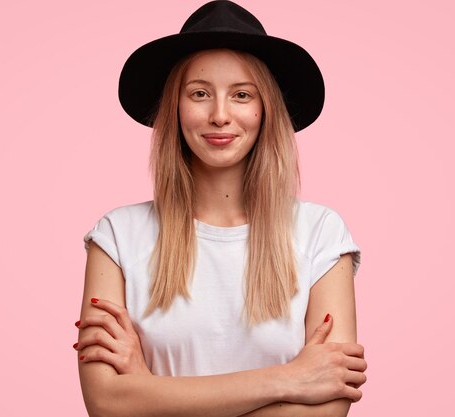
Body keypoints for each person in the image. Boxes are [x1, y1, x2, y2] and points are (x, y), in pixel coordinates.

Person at [75, 1, 367, 416]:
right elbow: (107, 405)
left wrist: (147, 391)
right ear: (175, 107)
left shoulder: (320, 233)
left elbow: (327, 410)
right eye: (199, 94)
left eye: (242, 95)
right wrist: (288, 379)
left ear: (265, 109)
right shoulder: (118, 237)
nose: (219, 115)